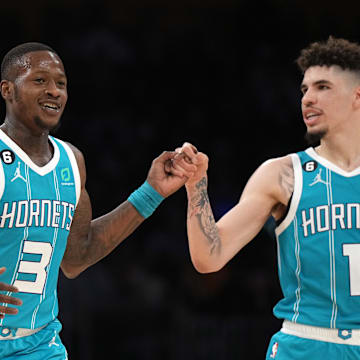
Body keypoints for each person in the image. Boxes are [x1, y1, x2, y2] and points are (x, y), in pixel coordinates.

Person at [0, 42, 196, 359]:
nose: (54, 91)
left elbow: (77, 258)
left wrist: (151, 192)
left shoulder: (71, 161)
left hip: (39, 344)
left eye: (60, 83)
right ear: (8, 90)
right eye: (39, 80)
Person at [174, 36, 360, 359]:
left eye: (322, 87)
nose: (308, 99)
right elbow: (209, 257)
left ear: (356, 96)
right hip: (305, 344)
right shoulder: (283, 174)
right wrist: (196, 187)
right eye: (304, 90)